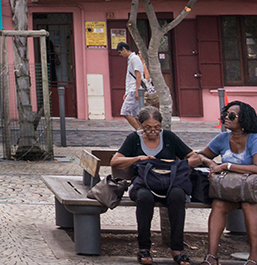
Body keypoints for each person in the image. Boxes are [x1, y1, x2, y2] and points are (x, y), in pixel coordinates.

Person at [110, 106, 198, 265]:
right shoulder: (134, 139)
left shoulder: (169, 138)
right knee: (144, 198)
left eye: (156, 128)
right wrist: (138, 159)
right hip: (144, 184)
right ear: (140, 124)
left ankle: (177, 249)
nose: (153, 131)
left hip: (170, 183)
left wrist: (175, 164)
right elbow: (115, 161)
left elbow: (195, 158)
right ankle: (144, 248)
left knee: (178, 196)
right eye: (148, 128)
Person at [194, 100, 257, 265]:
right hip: (229, 189)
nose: (226, 118)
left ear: (244, 119)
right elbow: (200, 155)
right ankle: (211, 257)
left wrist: (227, 165)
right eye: (225, 115)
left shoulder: (254, 139)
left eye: (231, 115)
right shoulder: (222, 138)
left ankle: (254, 257)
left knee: (249, 205)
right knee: (218, 205)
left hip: (252, 190)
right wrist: (211, 164)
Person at [117, 41, 148, 130]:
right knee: (136, 114)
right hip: (132, 89)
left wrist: (137, 90)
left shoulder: (134, 58)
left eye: (120, 52)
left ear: (124, 49)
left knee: (125, 111)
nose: (120, 55)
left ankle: (139, 130)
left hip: (134, 89)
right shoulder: (131, 59)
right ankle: (142, 129)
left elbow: (138, 74)